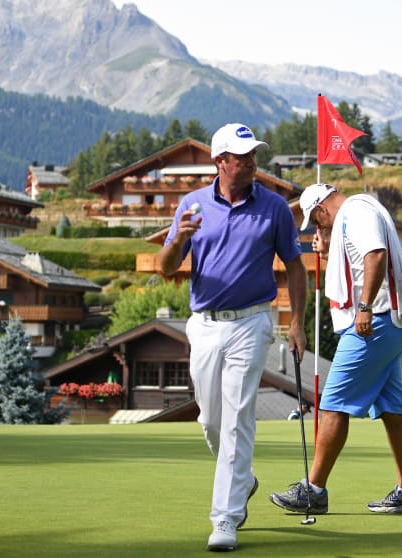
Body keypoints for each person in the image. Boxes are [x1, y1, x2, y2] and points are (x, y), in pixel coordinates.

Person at [158, 123, 307, 552]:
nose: (252, 163)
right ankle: (244, 479)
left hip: (252, 323)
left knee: (239, 418)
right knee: (210, 421)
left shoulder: (276, 207)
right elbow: (167, 266)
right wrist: (179, 239)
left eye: (254, 156)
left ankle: (225, 518)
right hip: (204, 324)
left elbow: (295, 267)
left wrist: (296, 322)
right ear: (220, 161)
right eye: (243, 157)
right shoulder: (192, 205)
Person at [269, 183, 402, 516]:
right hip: (387, 324)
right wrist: (327, 250)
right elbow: (356, 265)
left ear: (322, 209)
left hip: (374, 322)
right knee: (393, 409)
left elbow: (376, 255)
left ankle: (313, 490)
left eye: (317, 221)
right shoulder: (355, 215)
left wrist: (365, 307)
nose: (318, 228)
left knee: (332, 405)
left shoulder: (355, 211)